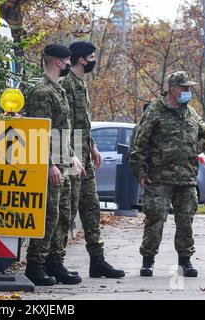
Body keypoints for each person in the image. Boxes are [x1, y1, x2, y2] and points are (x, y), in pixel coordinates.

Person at [129, 71, 205, 277]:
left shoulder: (191, 113)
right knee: (155, 220)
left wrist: (195, 147)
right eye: (185, 88)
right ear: (173, 89)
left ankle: (186, 261)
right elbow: (139, 143)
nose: (188, 91)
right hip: (159, 178)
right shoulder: (155, 111)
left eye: (189, 88)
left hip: (186, 179)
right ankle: (148, 261)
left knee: (185, 222)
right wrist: (140, 172)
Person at [59, 41, 125, 279]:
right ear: (81, 59)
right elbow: (63, 125)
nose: (94, 60)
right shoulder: (66, 84)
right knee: (66, 210)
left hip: (83, 152)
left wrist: (93, 147)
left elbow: (83, 123)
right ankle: (54, 261)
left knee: (91, 207)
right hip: (69, 153)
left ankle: (97, 261)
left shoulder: (81, 85)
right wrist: (70, 154)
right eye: (92, 56)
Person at [24, 44, 85, 286]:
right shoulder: (42, 91)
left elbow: (62, 131)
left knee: (63, 215)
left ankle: (55, 262)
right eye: (68, 60)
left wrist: (72, 156)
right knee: (49, 215)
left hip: (63, 162)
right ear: (59, 62)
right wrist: (50, 165)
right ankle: (35, 264)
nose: (70, 63)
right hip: (50, 166)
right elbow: (40, 133)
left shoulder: (57, 89)